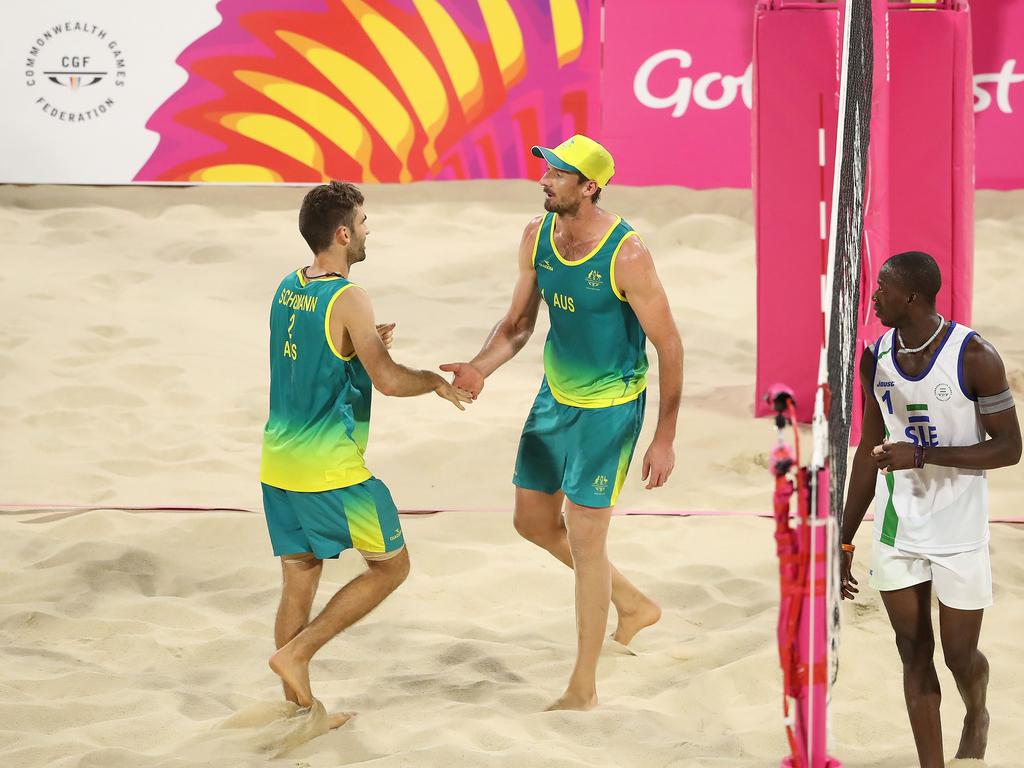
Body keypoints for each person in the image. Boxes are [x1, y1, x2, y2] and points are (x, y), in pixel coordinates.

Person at [442, 135, 683, 711]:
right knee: (531, 521)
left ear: (590, 185)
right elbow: (518, 323)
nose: (544, 179)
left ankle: (582, 686)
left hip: (611, 410)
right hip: (556, 399)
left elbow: (669, 347)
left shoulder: (627, 254)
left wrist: (664, 437)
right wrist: (480, 368)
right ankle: (633, 604)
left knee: (586, 536)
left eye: (557, 172)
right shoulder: (537, 235)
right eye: (546, 169)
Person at [260, 181, 472, 726]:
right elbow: (389, 381)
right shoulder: (348, 297)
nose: (368, 229)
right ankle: (298, 654)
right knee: (390, 568)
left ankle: (299, 710)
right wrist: (432, 380)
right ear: (342, 233)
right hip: (331, 472)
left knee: (299, 579)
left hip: (278, 465)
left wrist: (359, 344)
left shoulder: (290, 286)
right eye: (363, 220)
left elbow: (317, 356)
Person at [840, 251, 1021, 767]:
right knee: (913, 651)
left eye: (882, 289)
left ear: (912, 297)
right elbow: (868, 452)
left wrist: (920, 455)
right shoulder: (875, 357)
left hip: (961, 530)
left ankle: (977, 712)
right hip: (901, 530)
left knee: (960, 657)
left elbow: (1010, 448)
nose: (873, 297)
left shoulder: (974, 355)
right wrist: (845, 538)